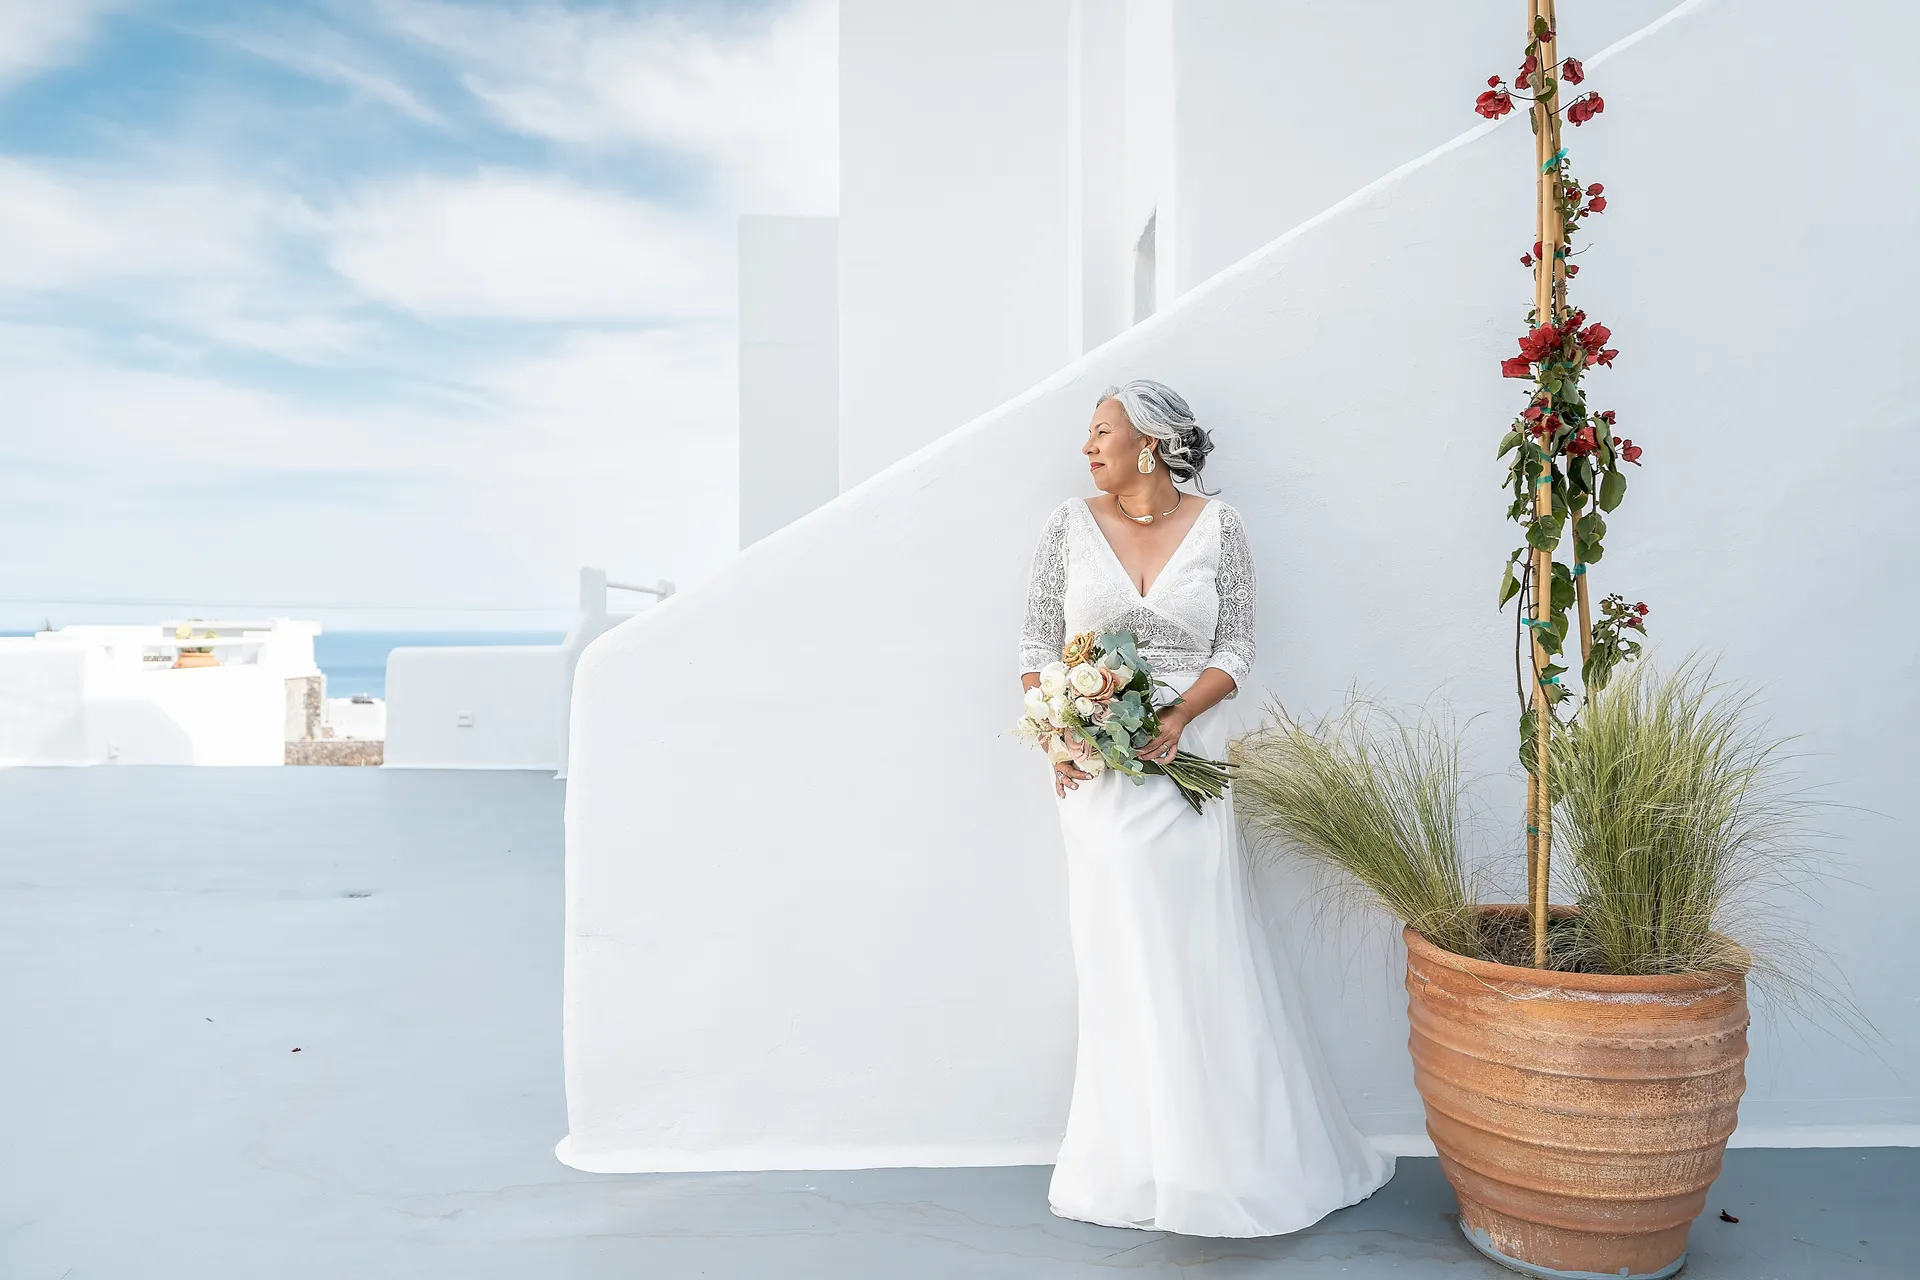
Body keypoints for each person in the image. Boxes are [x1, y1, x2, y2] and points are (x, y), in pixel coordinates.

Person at [1017, 379, 1392, 1237]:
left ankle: (1219, 1157)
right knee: (1122, 948)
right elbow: (1038, 644)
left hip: (1189, 760)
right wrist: (1055, 733)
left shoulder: (1222, 526)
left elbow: (1238, 643)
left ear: (1148, 442)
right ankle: (1131, 1158)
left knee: (1195, 946)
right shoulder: (1068, 526)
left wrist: (1183, 716)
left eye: (1101, 431)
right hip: (1095, 772)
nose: (1088, 446)